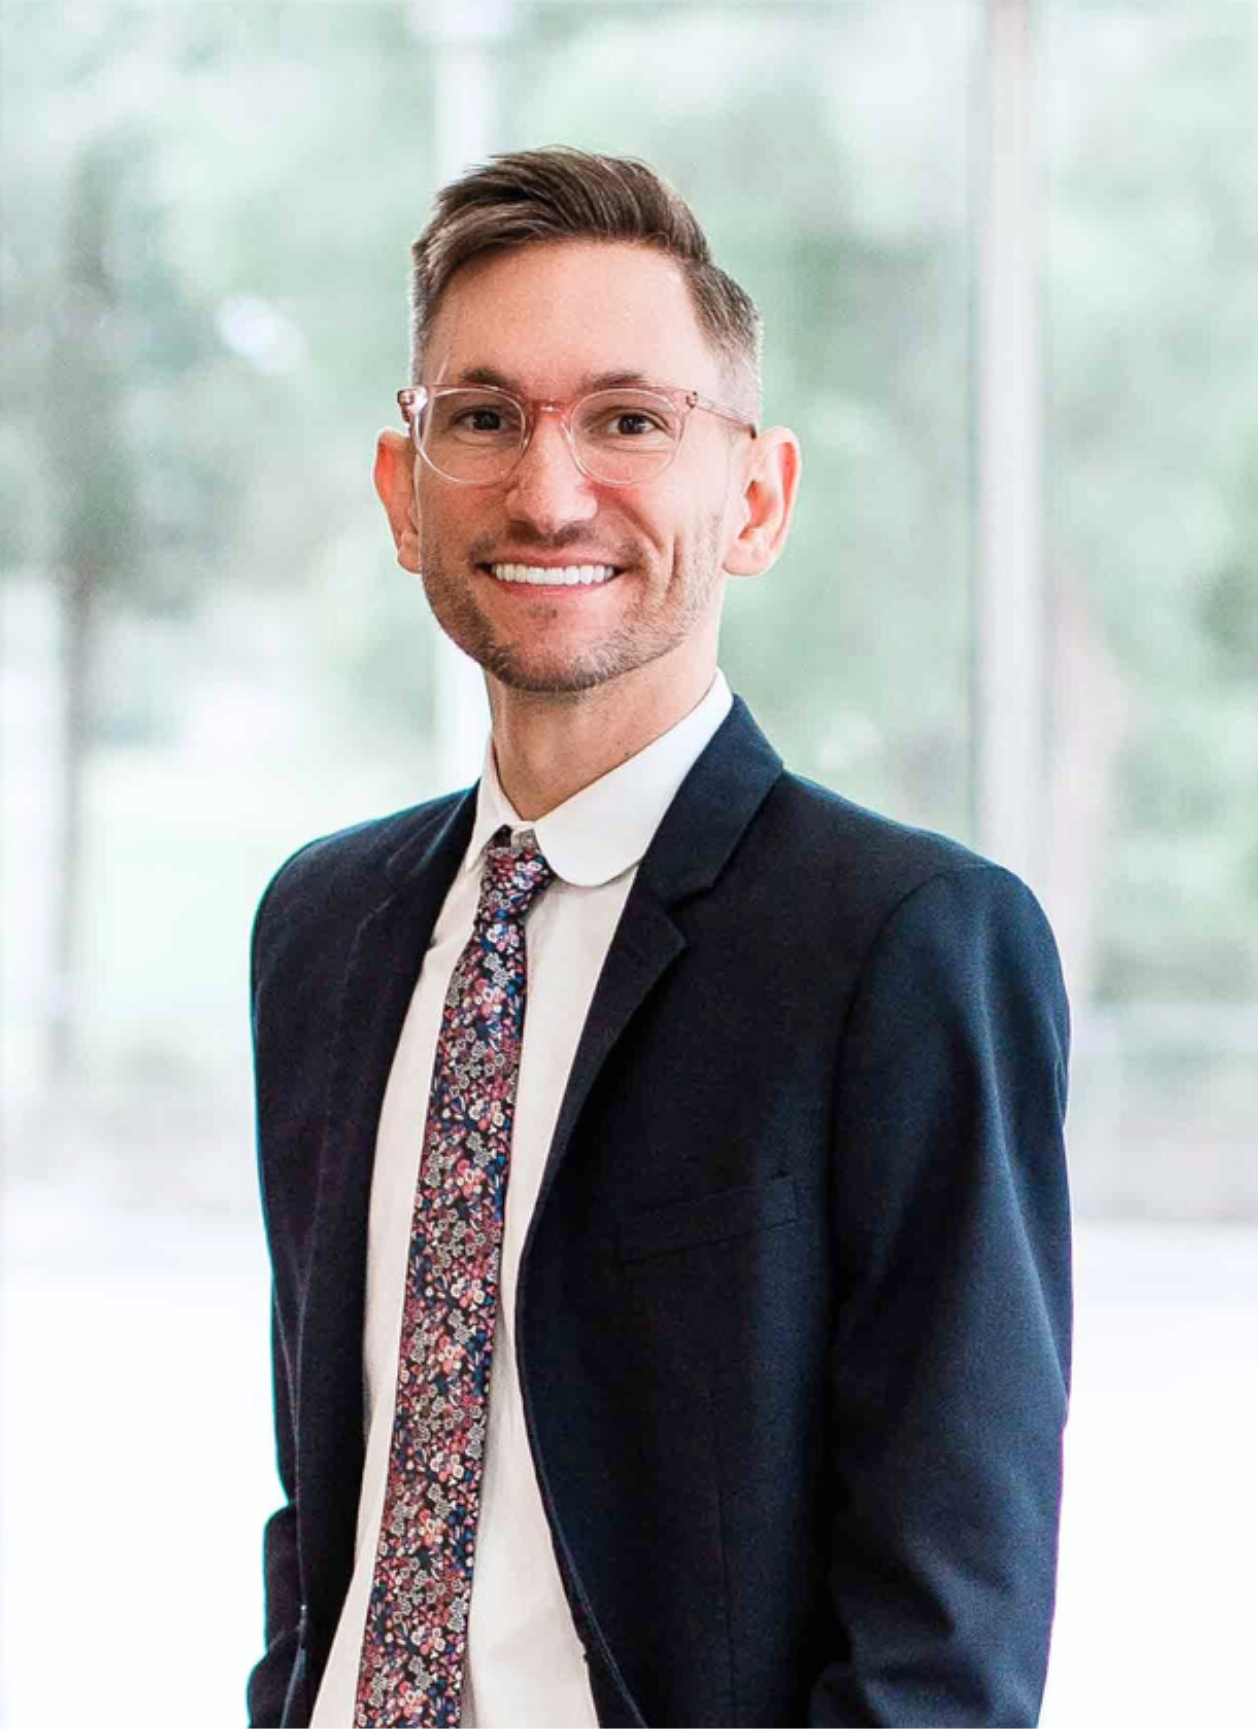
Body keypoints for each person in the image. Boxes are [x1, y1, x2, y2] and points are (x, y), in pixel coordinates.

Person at [247, 146, 1071, 1731]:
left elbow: (944, 1633)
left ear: (752, 496)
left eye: (630, 419)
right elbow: (325, 1499)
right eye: (481, 419)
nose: (549, 489)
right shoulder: (324, 925)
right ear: (400, 492)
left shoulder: (904, 942)